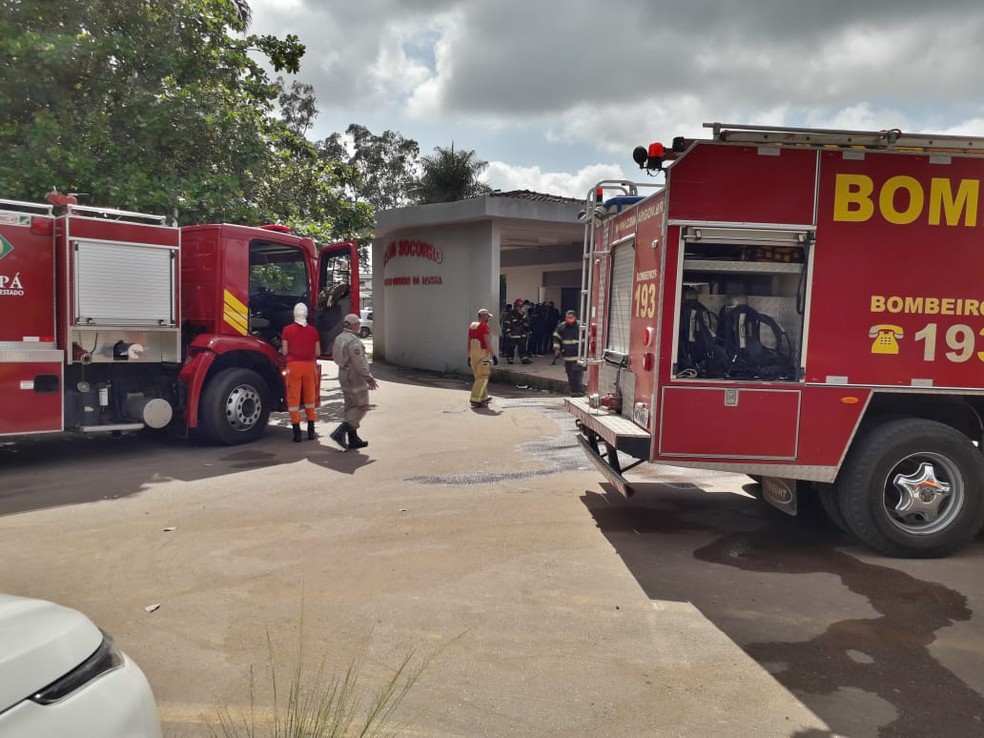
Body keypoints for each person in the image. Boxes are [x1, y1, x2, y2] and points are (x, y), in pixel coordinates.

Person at [330, 313, 378, 450]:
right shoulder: (353, 342)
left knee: (350, 404)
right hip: (354, 376)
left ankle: (353, 438)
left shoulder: (339, 338)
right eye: (357, 323)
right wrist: (368, 377)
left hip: (343, 373)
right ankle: (340, 432)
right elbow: (359, 362)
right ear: (353, 325)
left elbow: (335, 357)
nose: (359, 326)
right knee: (361, 406)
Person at [280, 303, 320, 442]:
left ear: (294, 314)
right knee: (310, 400)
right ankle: (311, 431)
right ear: (306, 314)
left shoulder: (286, 330)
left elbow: (284, 352)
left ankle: (297, 433)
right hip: (310, 366)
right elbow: (318, 352)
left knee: (293, 400)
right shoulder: (313, 331)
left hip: (293, 367)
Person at [467, 308, 497, 407]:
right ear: (483, 316)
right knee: (483, 377)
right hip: (482, 353)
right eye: (487, 316)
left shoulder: (472, 326)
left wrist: (469, 355)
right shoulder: (484, 326)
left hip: (473, 354)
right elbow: (487, 342)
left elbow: (469, 342)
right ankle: (475, 399)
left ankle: (484, 397)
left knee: (478, 376)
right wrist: (493, 355)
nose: (488, 318)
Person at [552, 310, 585, 396]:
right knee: (570, 374)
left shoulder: (581, 326)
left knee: (577, 374)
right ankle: (573, 391)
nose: (568, 319)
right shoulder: (562, 326)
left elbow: (588, 338)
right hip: (567, 356)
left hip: (578, 356)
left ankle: (578, 391)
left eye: (570, 318)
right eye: (567, 318)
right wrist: (557, 349)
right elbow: (556, 337)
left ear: (574, 317)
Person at [503, 298, 532, 364]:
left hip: (522, 333)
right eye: (518, 306)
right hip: (513, 333)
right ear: (515, 306)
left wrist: (528, 330)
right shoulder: (510, 314)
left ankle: (524, 358)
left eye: (521, 306)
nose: (519, 308)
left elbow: (527, 323)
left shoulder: (524, 314)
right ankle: (510, 358)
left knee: (523, 346)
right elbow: (507, 323)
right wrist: (508, 332)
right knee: (511, 346)